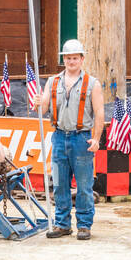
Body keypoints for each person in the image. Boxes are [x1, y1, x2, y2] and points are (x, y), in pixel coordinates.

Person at [35, 39, 105, 240]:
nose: (71, 61)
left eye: (75, 57)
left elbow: (99, 113)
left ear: (82, 59)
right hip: (59, 136)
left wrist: (96, 139)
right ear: (63, 59)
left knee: (83, 186)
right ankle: (62, 224)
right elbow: (45, 107)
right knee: (59, 184)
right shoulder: (53, 81)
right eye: (68, 58)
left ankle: (84, 225)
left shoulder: (93, 83)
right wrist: (39, 102)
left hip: (81, 138)